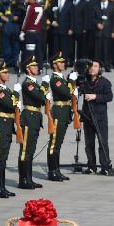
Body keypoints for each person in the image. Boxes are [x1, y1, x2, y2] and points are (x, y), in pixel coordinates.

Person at [43, 52, 77, 181]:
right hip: (59, 111)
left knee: (58, 143)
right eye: (61, 62)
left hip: (65, 111)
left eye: (63, 62)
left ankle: (56, 170)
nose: (64, 64)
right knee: (54, 144)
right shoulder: (55, 80)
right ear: (55, 65)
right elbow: (68, 93)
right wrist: (72, 80)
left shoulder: (62, 79)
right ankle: (52, 171)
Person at [81, 59, 114, 175]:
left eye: (95, 66)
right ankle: (91, 165)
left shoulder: (105, 82)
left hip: (100, 117)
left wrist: (95, 96)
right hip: (87, 116)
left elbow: (109, 97)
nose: (92, 68)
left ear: (99, 69)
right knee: (89, 143)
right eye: (90, 66)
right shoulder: (84, 81)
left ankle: (105, 166)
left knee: (102, 142)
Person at [17, 55, 46, 190]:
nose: (37, 68)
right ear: (28, 69)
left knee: (31, 150)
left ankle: (29, 178)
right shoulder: (28, 84)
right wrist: (45, 86)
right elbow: (40, 97)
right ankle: (23, 180)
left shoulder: (34, 83)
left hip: (34, 118)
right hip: (28, 118)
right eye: (34, 66)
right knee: (25, 151)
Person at [0, 61, 18, 199]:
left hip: (7, 126)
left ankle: (2, 187)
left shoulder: (6, 90)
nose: (7, 75)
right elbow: (11, 105)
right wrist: (17, 96)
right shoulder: (0, 91)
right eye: (5, 73)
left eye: (7, 72)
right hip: (1, 125)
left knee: (3, 158)